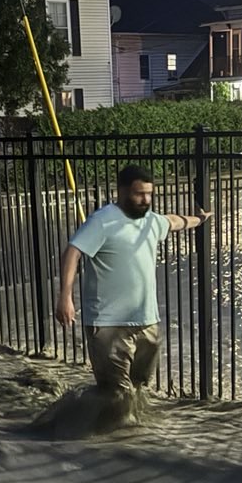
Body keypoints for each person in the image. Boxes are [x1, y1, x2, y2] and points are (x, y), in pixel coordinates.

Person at [55, 163, 210, 414]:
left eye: (149, 194)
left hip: (146, 322)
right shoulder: (102, 221)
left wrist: (200, 219)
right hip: (108, 324)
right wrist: (65, 297)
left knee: (137, 388)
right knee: (116, 394)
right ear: (122, 191)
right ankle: (93, 434)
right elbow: (73, 252)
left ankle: (113, 428)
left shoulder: (151, 221)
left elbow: (173, 221)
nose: (145, 199)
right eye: (139, 194)